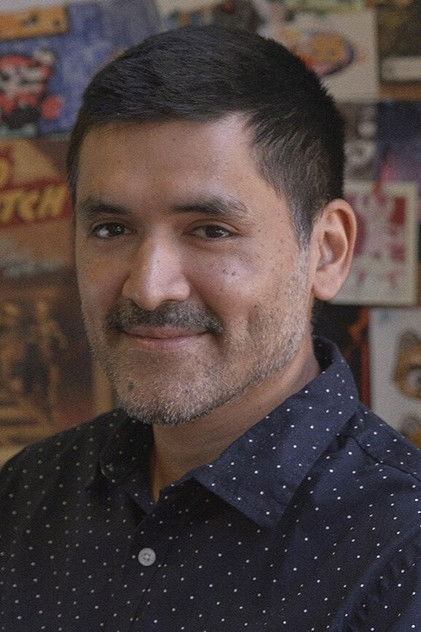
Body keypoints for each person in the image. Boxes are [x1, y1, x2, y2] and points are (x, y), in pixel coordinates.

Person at [0, 25, 419, 632]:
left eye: (210, 231)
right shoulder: (28, 493)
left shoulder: (403, 552)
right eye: (111, 229)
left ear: (327, 252)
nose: (149, 287)